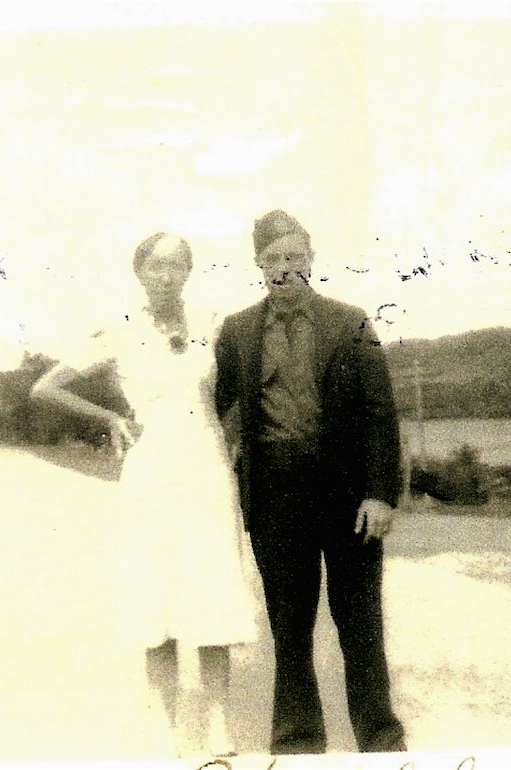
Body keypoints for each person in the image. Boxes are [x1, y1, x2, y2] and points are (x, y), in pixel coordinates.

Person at [30, 232, 257, 755]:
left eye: (178, 265)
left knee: (212, 586)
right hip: (152, 468)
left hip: (206, 465)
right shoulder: (118, 329)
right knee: (157, 588)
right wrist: (110, 417)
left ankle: (222, 730)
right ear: (139, 272)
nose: (167, 275)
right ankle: (170, 730)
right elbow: (46, 387)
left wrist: (232, 434)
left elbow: (245, 387)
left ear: (189, 271)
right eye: (157, 265)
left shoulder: (212, 323)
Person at [213, 209, 406, 754]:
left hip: (347, 497)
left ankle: (382, 742)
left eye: (293, 257)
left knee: (360, 626)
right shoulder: (237, 331)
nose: (283, 268)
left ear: (310, 260)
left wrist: (379, 493)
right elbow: (218, 404)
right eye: (272, 259)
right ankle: (297, 745)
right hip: (275, 496)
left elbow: (379, 414)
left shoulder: (352, 323)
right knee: (290, 631)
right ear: (258, 265)